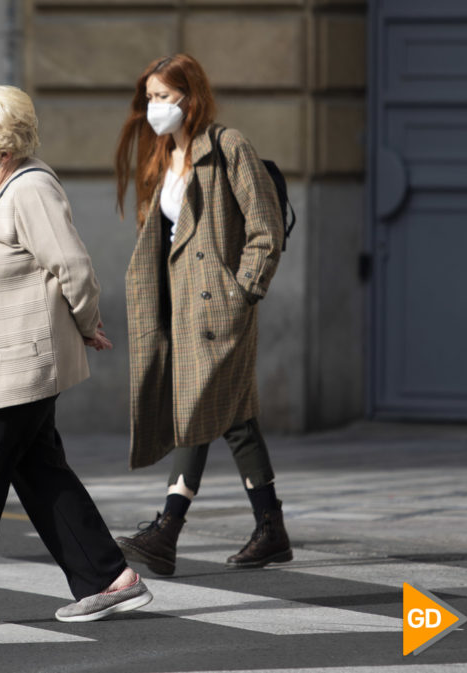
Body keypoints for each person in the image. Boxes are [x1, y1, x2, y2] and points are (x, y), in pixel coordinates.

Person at [0, 85, 152, 629]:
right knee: (37, 469)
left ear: (1, 148)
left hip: (14, 361)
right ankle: (109, 579)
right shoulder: (0, 188)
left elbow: (73, 266)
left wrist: (87, 325)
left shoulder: (30, 188)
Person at [113, 54, 292, 576]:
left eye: (163, 98)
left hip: (220, 308)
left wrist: (244, 292)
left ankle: (167, 527)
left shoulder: (227, 147)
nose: (153, 109)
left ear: (190, 99)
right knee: (234, 418)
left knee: (194, 404)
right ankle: (271, 529)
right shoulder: (162, 157)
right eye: (148, 98)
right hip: (178, 305)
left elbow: (265, 228)